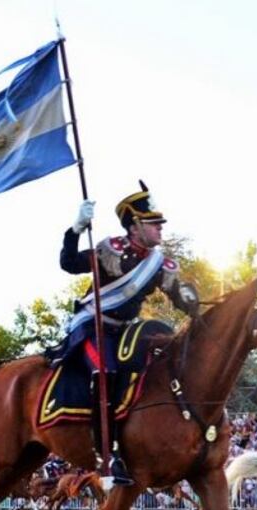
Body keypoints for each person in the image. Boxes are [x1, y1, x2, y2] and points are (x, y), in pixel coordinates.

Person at [49, 180, 200, 485]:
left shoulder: (160, 264)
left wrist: (191, 299)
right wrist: (76, 228)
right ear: (135, 226)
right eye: (153, 223)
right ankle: (106, 456)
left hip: (125, 333)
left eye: (160, 224)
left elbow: (182, 300)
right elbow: (68, 263)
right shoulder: (109, 250)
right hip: (92, 326)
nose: (160, 228)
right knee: (103, 371)